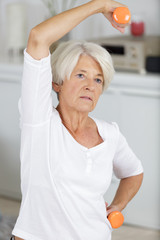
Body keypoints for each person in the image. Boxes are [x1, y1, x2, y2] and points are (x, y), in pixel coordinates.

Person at [11, 0, 143, 239]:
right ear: (57, 83)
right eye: (81, 75)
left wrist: (117, 206)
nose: (90, 86)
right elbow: (39, 37)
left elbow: (134, 172)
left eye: (98, 80)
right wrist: (99, 5)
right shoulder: (39, 121)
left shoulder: (109, 134)